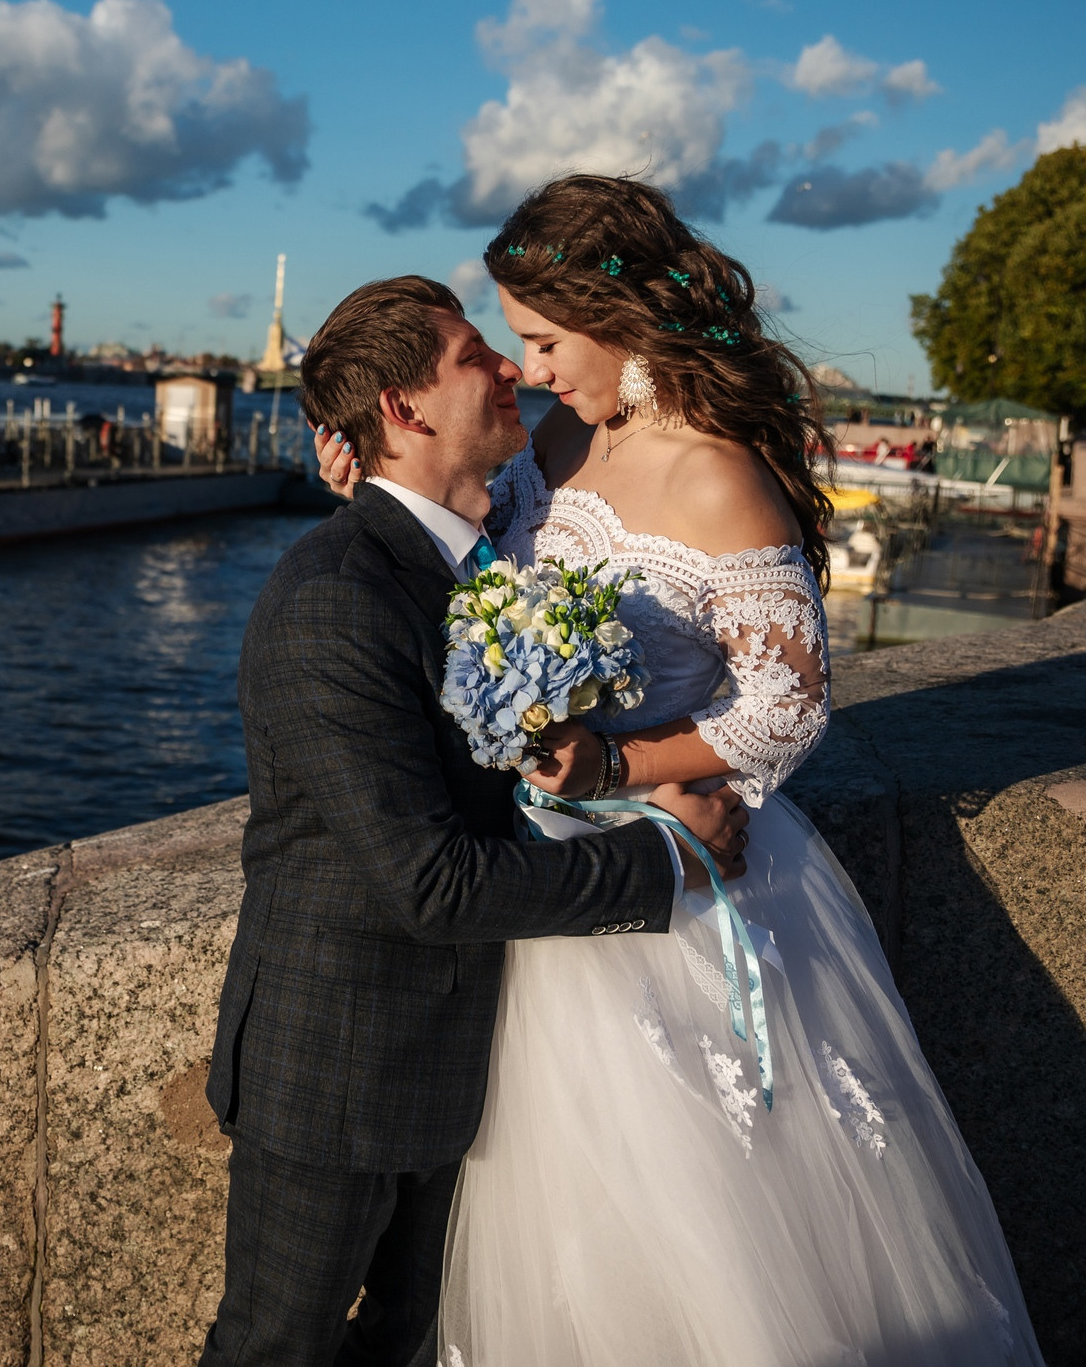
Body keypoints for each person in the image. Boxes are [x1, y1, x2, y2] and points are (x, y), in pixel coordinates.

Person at [315, 177, 1042, 1366]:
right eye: (517, 344)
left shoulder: (718, 475)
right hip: (541, 874)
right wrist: (371, 490)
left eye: (546, 341)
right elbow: (468, 560)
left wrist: (618, 759)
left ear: (620, 317)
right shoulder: (555, 441)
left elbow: (790, 705)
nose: (531, 369)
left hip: (683, 868)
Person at [200, 275, 746, 1367]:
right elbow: (430, 881)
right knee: (277, 1348)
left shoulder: (482, 561)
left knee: (413, 1345)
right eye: (471, 354)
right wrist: (666, 863)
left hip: (467, 1059)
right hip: (337, 1068)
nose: (510, 368)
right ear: (404, 410)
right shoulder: (333, 601)